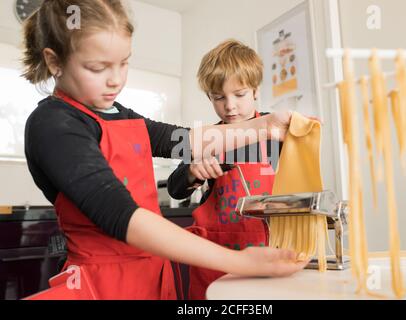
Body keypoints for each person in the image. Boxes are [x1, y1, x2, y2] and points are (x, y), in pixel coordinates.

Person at [22, 0, 307, 300]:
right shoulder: (54, 124)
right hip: (103, 283)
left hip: (154, 277)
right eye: (97, 67)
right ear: (54, 62)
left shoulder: (118, 113)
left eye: (124, 63)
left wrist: (266, 126)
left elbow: (181, 141)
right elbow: (122, 216)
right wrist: (240, 262)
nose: (116, 80)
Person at [168, 40, 283, 299]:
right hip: (219, 256)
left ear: (255, 91)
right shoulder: (207, 138)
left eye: (239, 95)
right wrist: (192, 172)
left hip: (272, 250)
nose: (229, 106)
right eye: (219, 98)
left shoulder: (276, 133)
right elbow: (175, 188)